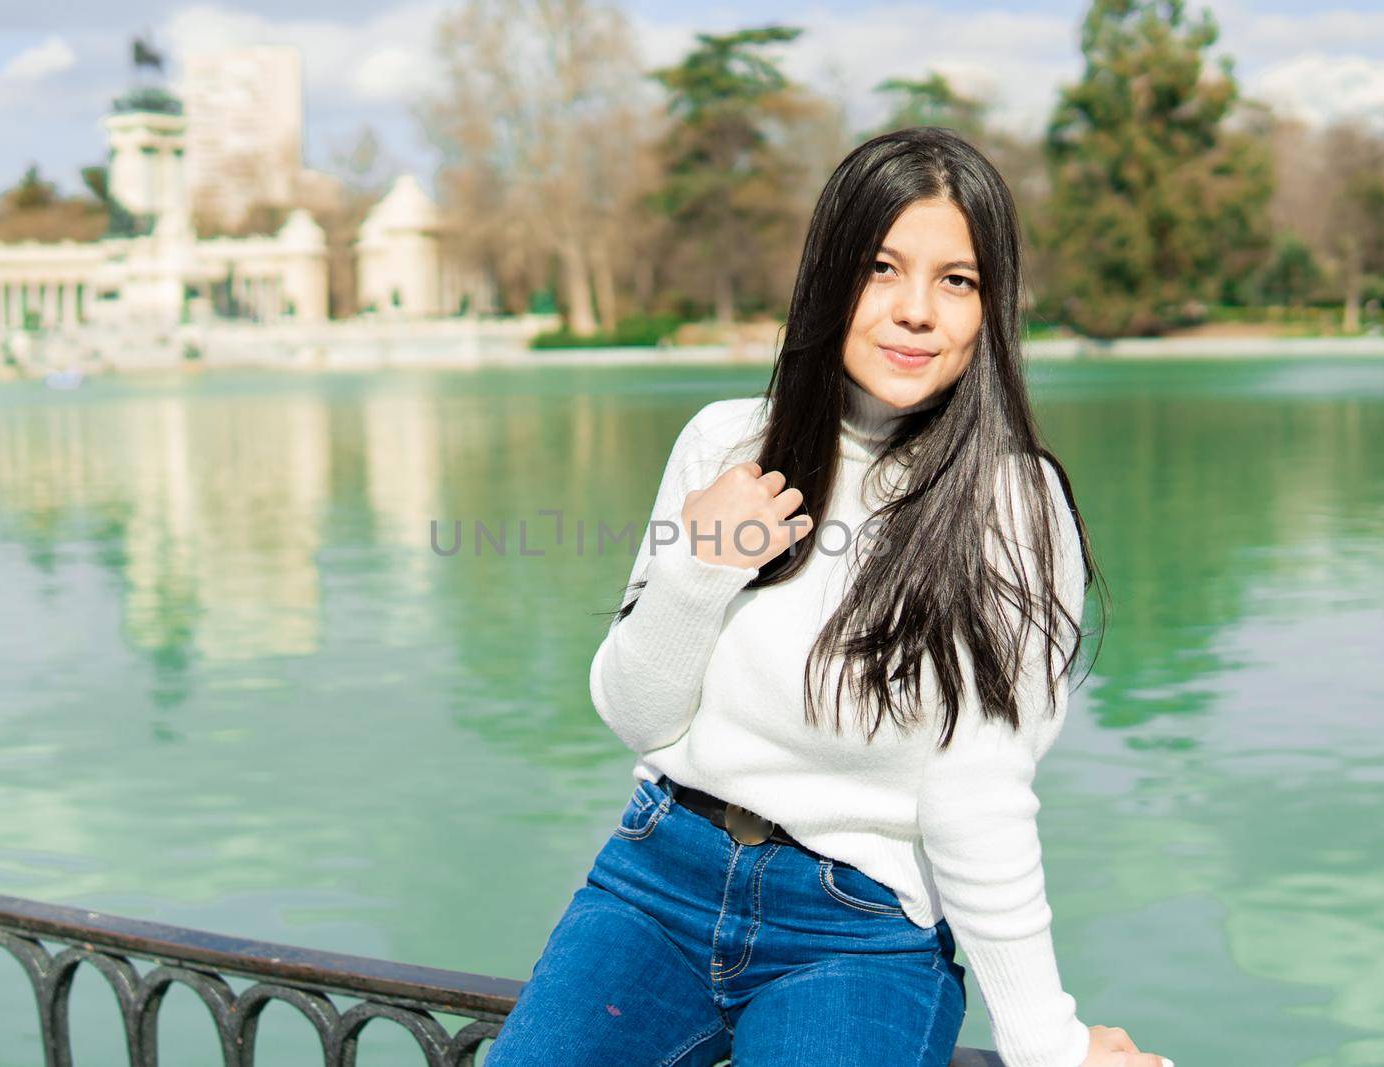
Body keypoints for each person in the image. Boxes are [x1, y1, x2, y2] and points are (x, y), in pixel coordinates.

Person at [485, 127, 1173, 1067]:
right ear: (830, 278)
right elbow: (637, 716)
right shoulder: (726, 446)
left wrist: (1046, 1043)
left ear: (989, 310)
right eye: (882, 268)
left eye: (956, 280)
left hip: (857, 927)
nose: (916, 312)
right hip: (657, 876)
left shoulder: (1012, 502)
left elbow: (979, 795)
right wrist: (699, 567)